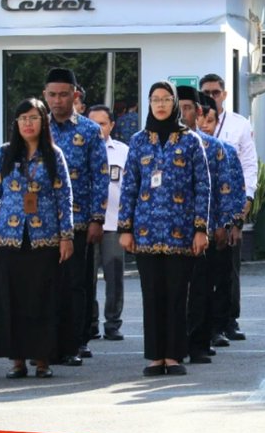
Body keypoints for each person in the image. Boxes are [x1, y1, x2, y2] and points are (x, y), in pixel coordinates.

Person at [119, 81, 211, 377]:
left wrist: (201, 228)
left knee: (176, 294)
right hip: (145, 232)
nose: (160, 104)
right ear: (148, 103)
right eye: (155, 99)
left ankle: (174, 355)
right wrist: (126, 228)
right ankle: (155, 356)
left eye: (165, 99)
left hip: (180, 231)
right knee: (152, 294)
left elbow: (203, 186)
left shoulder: (190, 141)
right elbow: (129, 185)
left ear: (173, 103)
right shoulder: (138, 141)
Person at [0, 98, 74, 379]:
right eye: (22, 118)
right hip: (9, 238)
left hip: (44, 237)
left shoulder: (54, 154)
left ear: (43, 121)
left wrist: (66, 236)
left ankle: (43, 359)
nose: (27, 123)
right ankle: (17, 360)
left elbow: (64, 196)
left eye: (33, 118)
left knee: (42, 299)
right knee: (12, 299)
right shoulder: (4, 154)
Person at [42, 67, 108, 365]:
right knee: (47, 284)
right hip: (42, 222)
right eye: (52, 95)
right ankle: (48, 342)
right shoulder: (34, 126)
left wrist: (97, 218)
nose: (57, 101)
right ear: (45, 96)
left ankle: (78, 341)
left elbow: (100, 176)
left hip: (81, 221)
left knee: (78, 284)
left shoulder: (89, 130)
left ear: (75, 95)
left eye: (63, 95)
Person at [198, 72, 257, 343]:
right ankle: (207, 322)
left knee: (229, 268)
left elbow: (248, 164)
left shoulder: (239, 124)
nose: (212, 96)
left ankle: (229, 320)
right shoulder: (192, 128)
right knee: (205, 270)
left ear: (224, 94)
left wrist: (246, 201)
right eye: (207, 92)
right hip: (202, 212)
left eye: (215, 92)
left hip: (230, 206)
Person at [87, 103, 129, 342]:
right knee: (87, 278)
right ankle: (90, 322)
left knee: (115, 278)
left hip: (114, 223)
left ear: (112, 125)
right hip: (88, 224)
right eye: (92, 123)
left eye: (102, 123)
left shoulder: (123, 151)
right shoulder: (81, 150)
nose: (97, 128)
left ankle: (112, 323)